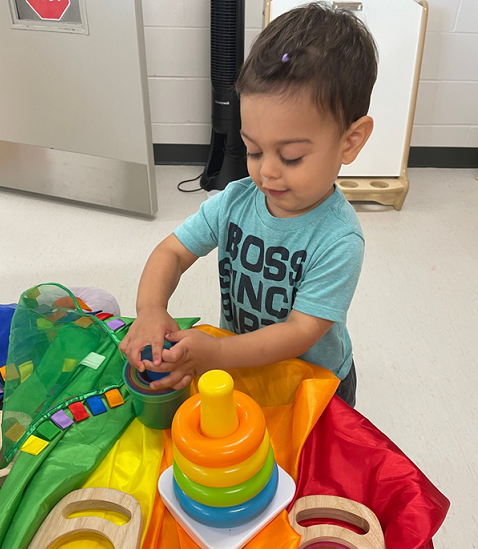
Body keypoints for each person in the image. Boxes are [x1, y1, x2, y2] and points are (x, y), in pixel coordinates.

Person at [120, 2, 378, 408]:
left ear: (350, 141)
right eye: (253, 149)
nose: (267, 173)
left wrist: (216, 353)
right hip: (244, 366)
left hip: (312, 386)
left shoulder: (338, 239)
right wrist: (150, 308)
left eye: (291, 156)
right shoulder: (235, 201)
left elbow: (298, 332)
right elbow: (171, 251)